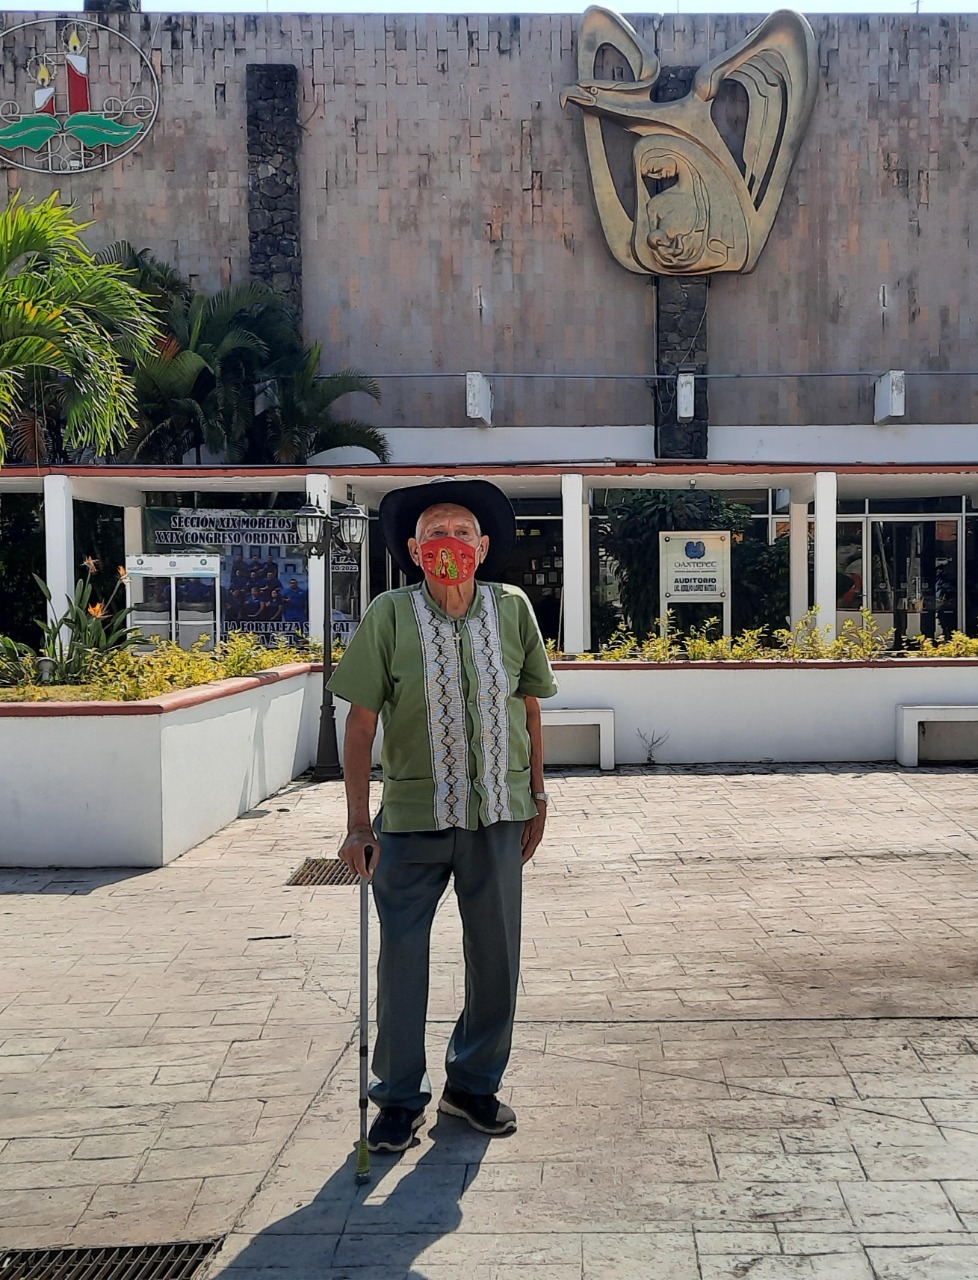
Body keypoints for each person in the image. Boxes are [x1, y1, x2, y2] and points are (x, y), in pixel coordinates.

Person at [328, 479, 558, 1154]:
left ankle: (473, 1084)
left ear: (482, 548)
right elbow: (361, 723)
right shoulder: (389, 614)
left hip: (498, 813)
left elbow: (530, 706)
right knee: (402, 960)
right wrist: (357, 823)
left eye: (462, 532)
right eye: (436, 533)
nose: (449, 542)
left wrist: (539, 796)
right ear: (413, 549)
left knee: (497, 957)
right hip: (409, 817)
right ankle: (399, 1099)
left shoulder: (512, 608)